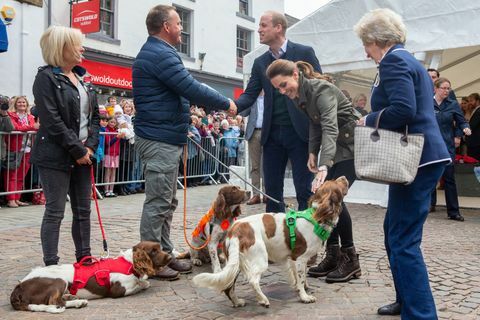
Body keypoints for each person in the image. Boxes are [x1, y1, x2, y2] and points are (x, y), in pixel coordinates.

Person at [354, 9, 451, 319]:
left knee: (403, 240)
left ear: (375, 39)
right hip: (424, 156)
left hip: (417, 160)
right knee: (394, 231)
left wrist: (367, 119)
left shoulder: (393, 61)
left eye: (365, 45)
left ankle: (421, 314)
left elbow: (403, 110)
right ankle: (405, 299)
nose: (365, 52)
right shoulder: (409, 59)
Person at [132, 4, 236, 280]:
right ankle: (150, 261)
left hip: (165, 136)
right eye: (179, 23)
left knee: (167, 201)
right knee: (158, 202)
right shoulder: (159, 54)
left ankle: (163, 252)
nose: (182, 29)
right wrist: (225, 102)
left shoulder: (160, 52)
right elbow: (189, 87)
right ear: (166, 26)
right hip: (158, 138)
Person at [266, 59, 362, 283]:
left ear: (295, 75)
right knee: (328, 198)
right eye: (277, 88)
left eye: (283, 84)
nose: (281, 91)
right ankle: (334, 254)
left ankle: (350, 259)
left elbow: (329, 125)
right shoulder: (301, 95)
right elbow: (315, 124)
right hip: (337, 147)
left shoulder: (322, 90)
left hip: (352, 147)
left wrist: (324, 164)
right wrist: (312, 152)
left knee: (334, 198)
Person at [235, 10, 321, 213]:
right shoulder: (260, 62)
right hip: (272, 135)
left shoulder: (304, 53)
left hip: (300, 133)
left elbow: (320, 87)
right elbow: (249, 95)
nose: (259, 30)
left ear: (278, 28)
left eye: (263, 25)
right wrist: (230, 105)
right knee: (272, 192)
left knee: (304, 191)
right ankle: (276, 240)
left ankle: (303, 239)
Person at [31, 25, 100, 266]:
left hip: (83, 154)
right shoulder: (45, 78)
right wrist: (78, 150)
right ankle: (51, 263)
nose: (82, 48)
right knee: (55, 211)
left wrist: (90, 147)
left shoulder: (83, 78)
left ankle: (85, 256)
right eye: (77, 43)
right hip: (54, 155)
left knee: (83, 210)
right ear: (63, 48)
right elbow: (52, 120)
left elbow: (95, 119)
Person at [430, 78, 471, 220]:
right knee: (429, 178)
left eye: (449, 88)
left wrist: (465, 128)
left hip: (447, 147)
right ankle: (427, 206)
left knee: (449, 179)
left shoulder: (453, 104)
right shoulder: (427, 103)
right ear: (435, 88)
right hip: (430, 146)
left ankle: (453, 212)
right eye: (444, 88)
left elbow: (462, 122)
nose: (447, 91)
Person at [4, 96, 39, 207]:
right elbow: (16, 127)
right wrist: (32, 127)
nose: (21, 104)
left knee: (21, 175)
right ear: (15, 104)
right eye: (19, 102)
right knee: (12, 175)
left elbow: (34, 128)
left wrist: (32, 127)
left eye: (24, 102)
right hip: (14, 148)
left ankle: (17, 198)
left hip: (28, 149)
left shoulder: (31, 116)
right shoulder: (11, 115)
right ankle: (11, 199)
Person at [241, 91, 266, 205]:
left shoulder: (270, 96)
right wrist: (247, 99)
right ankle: (255, 194)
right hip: (254, 132)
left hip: (268, 133)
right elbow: (243, 113)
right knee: (255, 166)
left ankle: (267, 194)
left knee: (267, 166)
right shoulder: (252, 98)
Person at [466, 93, 480, 160]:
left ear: (477, 101)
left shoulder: (478, 111)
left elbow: (472, 126)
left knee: (473, 162)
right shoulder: (474, 110)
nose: (469, 103)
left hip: (476, 143)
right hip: (473, 143)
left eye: (471, 101)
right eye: (468, 101)